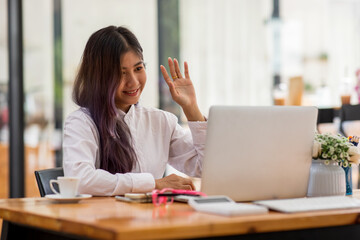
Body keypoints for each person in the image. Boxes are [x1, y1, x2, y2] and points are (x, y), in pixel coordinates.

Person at [63, 26, 207, 196]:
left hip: (151, 219)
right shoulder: (81, 122)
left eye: (138, 69)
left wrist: (191, 108)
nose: (133, 82)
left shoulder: (160, 121)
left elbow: (206, 168)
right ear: (99, 78)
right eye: (121, 73)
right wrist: (153, 184)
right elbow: (80, 180)